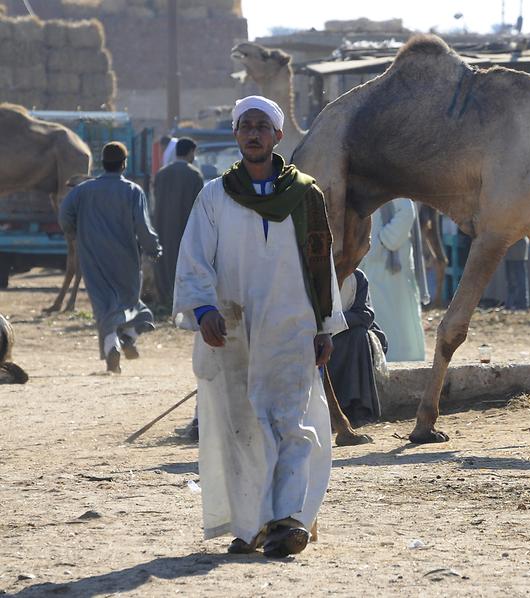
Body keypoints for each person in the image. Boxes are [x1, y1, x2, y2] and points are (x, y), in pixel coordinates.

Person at [172, 95, 345, 557]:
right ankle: (250, 525)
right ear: (236, 134)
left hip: (292, 326)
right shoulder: (214, 195)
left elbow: (320, 265)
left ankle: (288, 520)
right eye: (245, 125)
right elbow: (193, 258)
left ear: (277, 136)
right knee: (241, 427)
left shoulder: (306, 195)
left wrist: (325, 325)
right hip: (233, 329)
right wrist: (204, 310)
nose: (253, 133)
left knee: (290, 422)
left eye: (261, 126)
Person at [59, 142, 162, 374]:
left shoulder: (82, 190)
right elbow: (143, 227)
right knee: (134, 306)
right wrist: (153, 249)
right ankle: (128, 337)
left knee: (103, 306)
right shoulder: (133, 191)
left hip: (92, 257)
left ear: (103, 163)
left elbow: (65, 215)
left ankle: (111, 345)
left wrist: (75, 233)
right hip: (126, 258)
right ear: (124, 164)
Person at [360, 198, 429, 362]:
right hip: (370, 264)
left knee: (399, 321)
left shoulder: (389, 177)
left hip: (392, 266)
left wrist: (382, 241)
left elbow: (407, 212)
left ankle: (404, 359)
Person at [330, 269, 388, 426]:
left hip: (345, 338)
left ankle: (357, 409)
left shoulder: (356, 277)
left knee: (360, 336)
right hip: (315, 340)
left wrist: (330, 323)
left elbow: (365, 315)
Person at [152, 137, 204, 307]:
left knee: (163, 263)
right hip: (185, 227)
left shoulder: (161, 173)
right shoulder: (194, 175)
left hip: (161, 226)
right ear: (190, 152)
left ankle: (164, 299)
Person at [505, 238, 530, 310]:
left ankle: (522, 304)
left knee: (519, 279)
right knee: (511, 280)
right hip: (511, 248)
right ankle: (510, 303)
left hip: (518, 247)